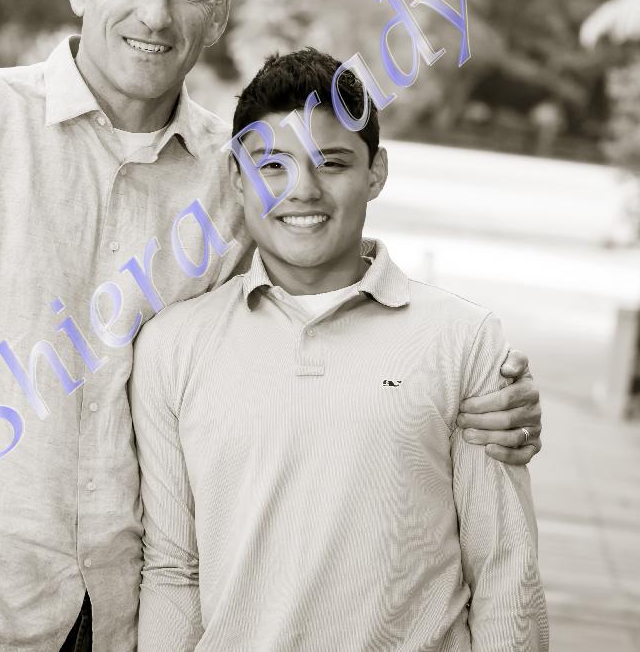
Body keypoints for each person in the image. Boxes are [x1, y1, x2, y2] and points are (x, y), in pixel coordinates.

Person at [0, 0, 542, 652]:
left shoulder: (231, 176)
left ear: (218, 13)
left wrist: (482, 393)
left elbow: (309, 309)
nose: (156, 15)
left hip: (122, 620)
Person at [130, 48, 549, 651]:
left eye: (331, 162)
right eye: (271, 165)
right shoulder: (173, 346)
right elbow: (174, 569)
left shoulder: (464, 339)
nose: (302, 190)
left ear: (376, 172)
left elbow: (505, 567)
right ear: (237, 178)